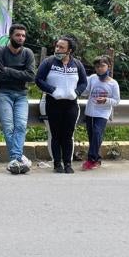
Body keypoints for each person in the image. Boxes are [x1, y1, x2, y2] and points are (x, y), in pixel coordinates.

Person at [35, 35, 88, 174]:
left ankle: (68, 164)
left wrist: (76, 92)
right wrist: (52, 90)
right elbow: (38, 79)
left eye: (61, 47)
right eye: (57, 46)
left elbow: (84, 82)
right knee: (55, 135)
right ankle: (57, 164)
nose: (57, 49)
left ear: (69, 50)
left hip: (71, 105)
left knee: (68, 135)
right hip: (53, 103)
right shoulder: (48, 62)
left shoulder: (77, 64)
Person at [0, 23, 36, 175]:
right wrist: (20, 73)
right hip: (3, 94)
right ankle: (18, 158)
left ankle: (15, 160)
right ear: (11, 36)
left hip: (21, 95)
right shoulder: (0, 52)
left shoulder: (28, 53)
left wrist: (8, 70)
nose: (21, 38)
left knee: (21, 126)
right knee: (9, 127)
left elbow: (31, 76)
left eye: (23, 36)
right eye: (18, 35)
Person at [82, 55, 121, 170]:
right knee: (93, 137)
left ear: (108, 66)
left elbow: (116, 101)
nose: (99, 69)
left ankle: (91, 160)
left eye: (102, 66)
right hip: (90, 112)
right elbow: (86, 91)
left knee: (97, 133)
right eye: (97, 66)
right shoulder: (92, 78)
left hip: (102, 114)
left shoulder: (113, 84)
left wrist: (106, 100)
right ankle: (97, 159)